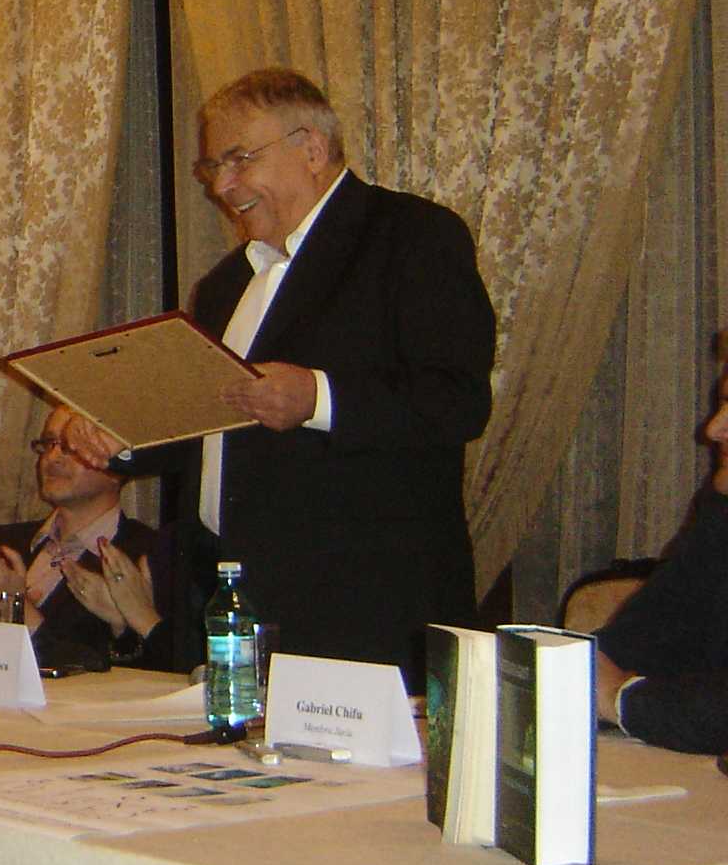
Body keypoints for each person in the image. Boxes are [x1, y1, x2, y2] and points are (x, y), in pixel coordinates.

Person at [79, 69, 495, 677]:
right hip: (232, 603)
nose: (222, 186)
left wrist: (319, 398)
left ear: (313, 149)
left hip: (363, 610)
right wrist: (122, 437)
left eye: (239, 159)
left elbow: (457, 400)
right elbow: (211, 427)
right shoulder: (225, 286)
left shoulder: (411, 236)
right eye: (212, 167)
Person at [0, 404, 169, 669]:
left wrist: (20, 611)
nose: (52, 457)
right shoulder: (3, 543)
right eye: (48, 444)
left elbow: (134, 668)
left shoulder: (147, 555)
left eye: (70, 447)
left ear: (116, 469)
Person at [596, 357, 728, 753]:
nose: (713, 429)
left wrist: (620, 698)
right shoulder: (721, 510)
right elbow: (648, 633)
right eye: (723, 403)